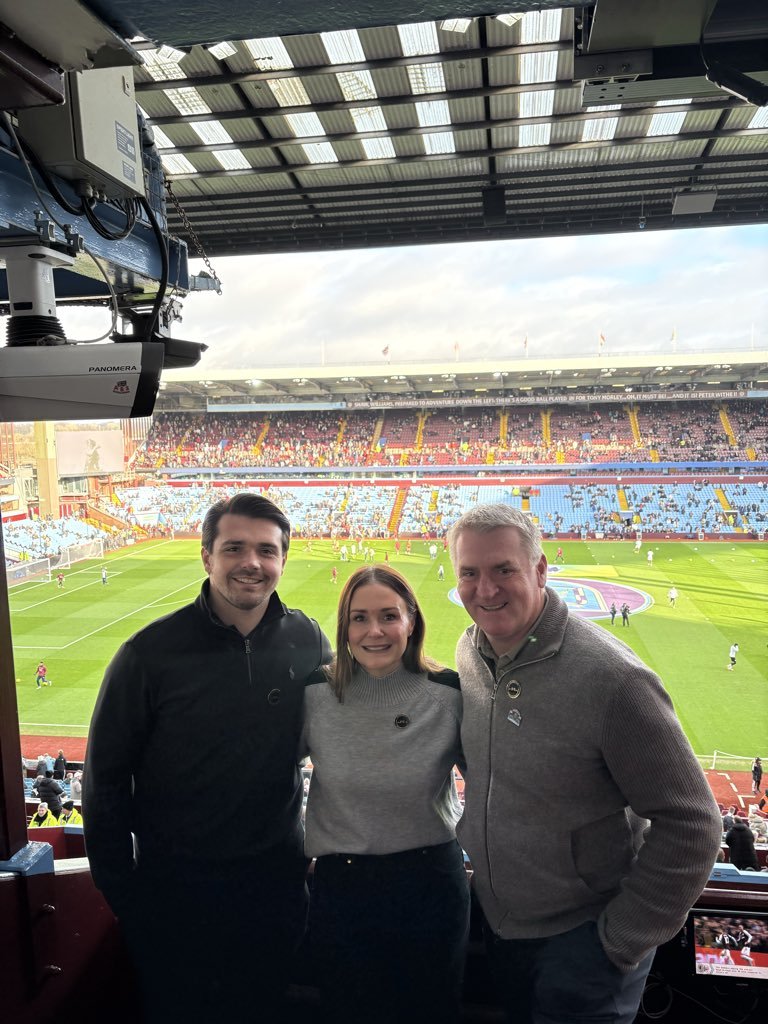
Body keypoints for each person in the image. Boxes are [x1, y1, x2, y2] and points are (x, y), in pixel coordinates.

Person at [447, 504, 722, 1024]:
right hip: (502, 928)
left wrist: (615, 943)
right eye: (470, 572)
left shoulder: (614, 680)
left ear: (540, 570)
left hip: (583, 944)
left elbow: (692, 823)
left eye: (503, 569)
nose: (485, 589)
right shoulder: (470, 651)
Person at [84, 493, 332, 1024]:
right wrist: (126, 894)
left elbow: (348, 730)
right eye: (234, 548)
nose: (252, 563)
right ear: (206, 556)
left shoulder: (306, 639)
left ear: (283, 560)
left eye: (267, 550)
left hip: (274, 892)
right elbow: (103, 782)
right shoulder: (148, 654)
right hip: (176, 898)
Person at [301, 565, 469, 1024]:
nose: (374, 631)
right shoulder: (315, 694)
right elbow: (267, 776)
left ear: (411, 621)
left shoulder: (449, 693)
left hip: (430, 884)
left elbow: (495, 784)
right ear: (345, 626)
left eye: (388, 616)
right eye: (359, 618)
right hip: (342, 889)